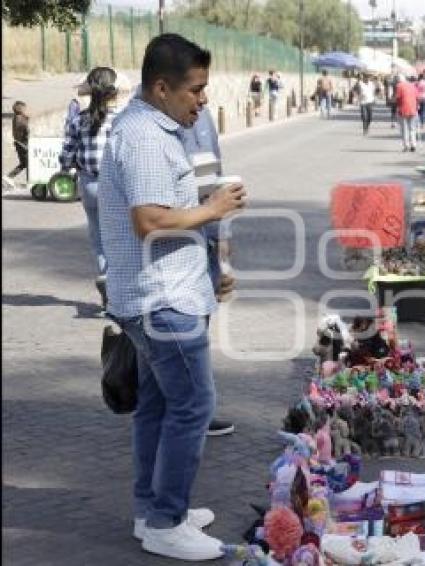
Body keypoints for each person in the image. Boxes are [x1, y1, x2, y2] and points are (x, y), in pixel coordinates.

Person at [98, 33, 245, 561]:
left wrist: (208, 216)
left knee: (158, 405)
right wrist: (214, 208)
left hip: (163, 292)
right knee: (194, 404)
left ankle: (152, 509)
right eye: (196, 90)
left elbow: (165, 204)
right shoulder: (143, 137)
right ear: (162, 88)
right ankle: (166, 520)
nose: (203, 100)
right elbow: (150, 220)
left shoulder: (155, 128)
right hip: (161, 297)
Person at [179, 103, 238, 438]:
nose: (201, 98)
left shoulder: (201, 117)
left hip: (205, 238)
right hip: (175, 248)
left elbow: (214, 179)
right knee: (183, 337)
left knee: (198, 330)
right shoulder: (146, 130)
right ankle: (191, 413)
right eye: (196, 89)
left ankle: (195, 411)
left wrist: (222, 240)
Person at [58, 68, 123, 309]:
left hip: (88, 184)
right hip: (114, 186)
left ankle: (106, 277)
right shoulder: (121, 119)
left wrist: (65, 168)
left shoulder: (78, 119)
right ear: (112, 92)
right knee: (119, 236)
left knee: (98, 238)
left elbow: (67, 153)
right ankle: (117, 285)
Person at [395, 75, 419, 152]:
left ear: (399, 80)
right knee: (412, 128)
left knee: (404, 129)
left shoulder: (399, 86)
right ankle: (413, 145)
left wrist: (398, 107)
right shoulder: (413, 86)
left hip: (403, 109)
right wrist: (417, 106)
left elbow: (398, 98)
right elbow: (417, 97)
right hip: (413, 109)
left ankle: (406, 146)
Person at [8, 101, 29, 180]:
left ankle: (9, 177)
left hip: (19, 144)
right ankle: (30, 181)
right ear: (20, 109)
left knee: (24, 164)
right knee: (28, 163)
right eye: (24, 108)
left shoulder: (16, 117)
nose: (25, 110)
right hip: (22, 145)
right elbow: (25, 131)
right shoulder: (20, 119)